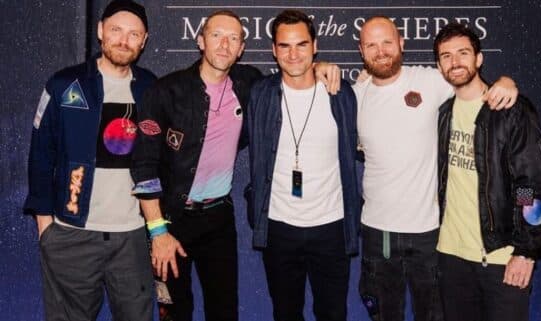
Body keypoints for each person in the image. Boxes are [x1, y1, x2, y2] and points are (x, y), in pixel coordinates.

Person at [130, 9, 341, 321]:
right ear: (200, 41)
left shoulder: (249, 85)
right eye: (216, 35)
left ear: (242, 49)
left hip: (218, 220)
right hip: (171, 221)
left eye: (233, 39)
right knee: (173, 312)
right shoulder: (165, 92)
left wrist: (319, 66)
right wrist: (157, 232)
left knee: (224, 311)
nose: (224, 45)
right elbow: (144, 166)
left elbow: (294, 73)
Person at [354, 16, 519, 321]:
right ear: (361, 51)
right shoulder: (355, 95)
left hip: (431, 234)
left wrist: (505, 82)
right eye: (371, 45)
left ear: (401, 43)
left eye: (387, 42)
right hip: (379, 233)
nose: (381, 51)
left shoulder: (432, 80)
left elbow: (470, 80)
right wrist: (318, 66)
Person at [23, 1, 155, 320]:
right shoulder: (64, 85)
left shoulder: (152, 88)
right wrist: (46, 227)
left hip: (133, 236)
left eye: (133, 33)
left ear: (144, 40)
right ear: (100, 31)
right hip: (72, 235)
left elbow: (160, 160)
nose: (124, 40)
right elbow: (41, 154)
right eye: (116, 30)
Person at [245, 10, 359, 321]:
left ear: (315, 46)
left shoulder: (342, 94)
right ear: (273, 50)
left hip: (331, 228)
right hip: (279, 227)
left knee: (333, 313)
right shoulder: (260, 94)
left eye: (301, 45)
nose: (293, 54)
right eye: (284, 46)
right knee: (285, 312)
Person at [434, 22, 541, 321]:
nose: (455, 62)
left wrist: (526, 250)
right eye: (446, 56)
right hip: (452, 258)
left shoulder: (511, 110)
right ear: (439, 65)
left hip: (501, 257)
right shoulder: (443, 113)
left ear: (479, 58)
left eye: (462, 53)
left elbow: (530, 185)